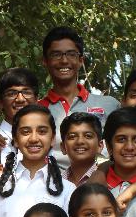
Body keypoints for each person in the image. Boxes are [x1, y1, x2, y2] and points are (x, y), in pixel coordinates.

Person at [38, 26, 118, 167]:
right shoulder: (37, 110)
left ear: (81, 60)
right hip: (51, 180)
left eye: (71, 54)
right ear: (45, 61)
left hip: (101, 179)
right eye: (56, 54)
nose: (64, 60)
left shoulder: (110, 105)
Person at [0, 67, 40, 164]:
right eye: (12, 94)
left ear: (36, 100)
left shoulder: (44, 140)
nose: (20, 99)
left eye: (26, 92)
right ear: (1, 103)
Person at [60, 112, 104, 186]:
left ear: (100, 146)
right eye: (72, 137)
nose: (80, 141)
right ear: (63, 147)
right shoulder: (55, 183)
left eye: (88, 136)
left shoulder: (108, 178)